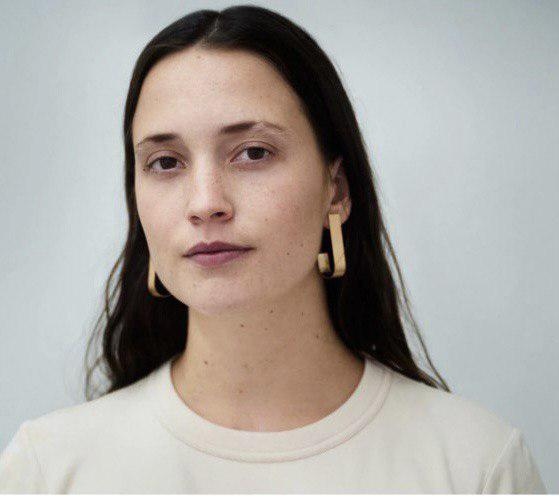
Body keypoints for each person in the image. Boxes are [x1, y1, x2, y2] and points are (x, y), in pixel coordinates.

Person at [0, 5, 547, 494]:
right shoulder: (48, 471)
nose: (206, 203)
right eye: (165, 162)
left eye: (253, 152)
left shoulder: (477, 467)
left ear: (336, 189)